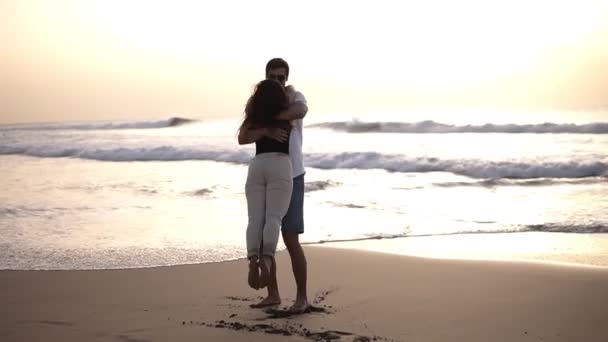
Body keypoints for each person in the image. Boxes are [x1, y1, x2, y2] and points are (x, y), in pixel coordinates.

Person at [240, 58, 310, 313]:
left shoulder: (292, 97)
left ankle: (302, 297)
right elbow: (243, 136)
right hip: (270, 171)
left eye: (281, 77)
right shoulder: (260, 102)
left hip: (293, 174)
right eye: (273, 77)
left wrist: (267, 117)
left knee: (290, 238)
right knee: (263, 232)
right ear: (266, 77)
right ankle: (273, 294)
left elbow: (300, 111)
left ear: (286, 78)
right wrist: (266, 130)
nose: (278, 81)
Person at [238, 79, 293, 290]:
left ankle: (253, 259)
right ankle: (267, 258)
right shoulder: (286, 112)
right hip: (279, 164)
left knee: (255, 219)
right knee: (273, 218)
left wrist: (262, 129)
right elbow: (301, 109)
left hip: (258, 165)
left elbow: (242, 138)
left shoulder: (255, 117)